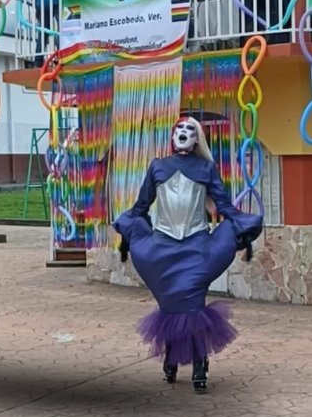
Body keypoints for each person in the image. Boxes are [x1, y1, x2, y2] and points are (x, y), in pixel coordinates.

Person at [113, 117, 263, 393]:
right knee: (171, 305)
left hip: (196, 248)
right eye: (179, 130)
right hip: (161, 249)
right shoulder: (158, 167)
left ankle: (198, 363)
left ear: (197, 140)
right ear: (172, 137)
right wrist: (126, 236)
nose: (183, 134)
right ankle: (171, 356)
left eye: (189, 131)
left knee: (192, 306)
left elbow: (223, 205)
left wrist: (242, 228)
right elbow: (141, 205)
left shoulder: (206, 168)